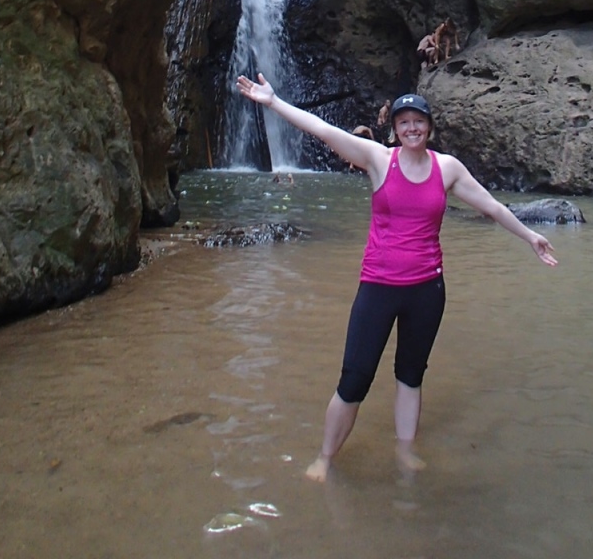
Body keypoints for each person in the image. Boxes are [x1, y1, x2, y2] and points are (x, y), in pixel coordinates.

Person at [236, 75, 558, 482]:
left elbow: (491, 206)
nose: (411, 128)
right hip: (378, 287)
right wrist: (273, 102)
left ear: (430, 127)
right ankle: (325, 457)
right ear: (395, 129)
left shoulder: (447, 168)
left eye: (418, 121)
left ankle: (405, 453)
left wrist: (530, 236)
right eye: (403, 122)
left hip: (427, 290)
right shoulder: (377, 159)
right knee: (355, 377)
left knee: (411, 374)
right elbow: (322, 129)